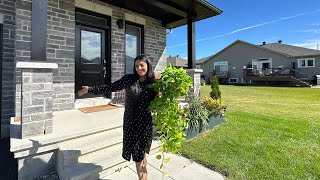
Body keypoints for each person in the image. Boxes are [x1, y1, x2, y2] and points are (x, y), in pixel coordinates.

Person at [78, 55, 156, 180]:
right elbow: (110, 87)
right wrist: (90, 89)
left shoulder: (154, 84)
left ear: (148, 65)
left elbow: (160, 104)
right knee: (139, 156)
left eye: (142, 65)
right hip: (130, 123)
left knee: (139, 156)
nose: (139, 68)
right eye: (136, 65)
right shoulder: (129, 79)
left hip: (144, 125)